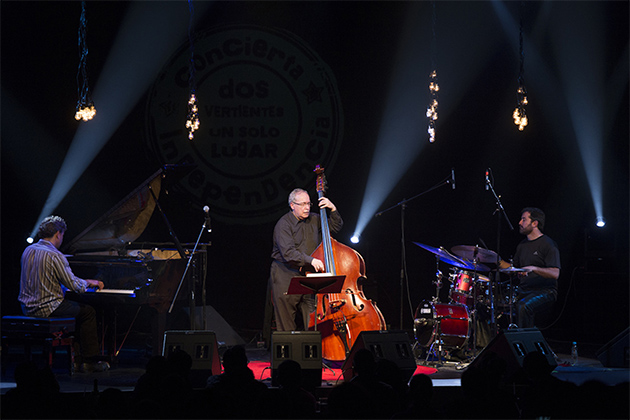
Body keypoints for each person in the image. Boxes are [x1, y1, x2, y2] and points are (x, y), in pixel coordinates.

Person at [19, 215, 110, 372]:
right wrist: (90, 282)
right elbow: (75, 285)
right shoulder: (55, 255)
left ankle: (75, 361)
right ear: (58, 234)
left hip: (27, 308)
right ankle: (90, 362)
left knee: (74, 310)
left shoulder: (28, 250)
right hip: (48, 308)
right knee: (88, 312)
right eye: (62, 235)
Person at [270, 188, 343, 331]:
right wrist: (311, 260)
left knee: (313, 319)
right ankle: (290, 351)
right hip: (286, 274)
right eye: (303, 204)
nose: (307, 208)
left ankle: (312, 351)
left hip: (308, 276)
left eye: (309, 204)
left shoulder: (315, 219)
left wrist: (333, 209)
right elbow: (289, 253)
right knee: (286, 322)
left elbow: (335, 227)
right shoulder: (283, 225)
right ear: (292, 205)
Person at [500, 207, 561, 328]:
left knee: (523, 306)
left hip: (545, 291)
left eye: (523, 219)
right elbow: (513, 269)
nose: (519, 223)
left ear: (534, 223)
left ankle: (525, 343)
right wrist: (495, 260)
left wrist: (534, 268)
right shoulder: (522, 245)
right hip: (523, 291)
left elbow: (555, 273)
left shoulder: (548, 244)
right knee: (497, 306)